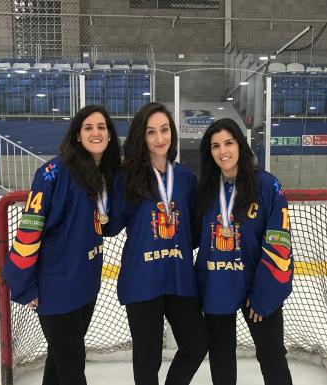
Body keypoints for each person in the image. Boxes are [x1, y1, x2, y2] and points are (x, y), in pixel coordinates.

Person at [2, 105, 121, 385]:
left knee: (58, 362)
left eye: (101, 127)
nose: (96, 132)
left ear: (110, 135)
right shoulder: (52, 173)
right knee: (72, 371)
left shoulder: (104, 175)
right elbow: (29, 230)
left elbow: (106, 224)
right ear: (78, 135)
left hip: (85, 285)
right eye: (88, 127)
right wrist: (23, 283)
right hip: (56, 288)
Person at [105, 102, 208, 385]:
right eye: (151, 132)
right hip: (142, 279)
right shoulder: (127, 177)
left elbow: (195, 230)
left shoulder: (186, 178)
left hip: (179, 278)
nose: (160, 138)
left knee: (197, 343)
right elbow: (112, 226)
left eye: (164, 130)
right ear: (142, 137)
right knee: (147, 358)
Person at [196, 118, 294, 385]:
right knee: (221, 358)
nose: (222, 151)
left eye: (228, 142)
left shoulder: (266, 185)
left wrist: (264, 295)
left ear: (240, 144)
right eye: (215, 146)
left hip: (256, 287)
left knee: (272, 355)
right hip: (218, 285)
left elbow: (279, 242)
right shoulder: (205, 189)